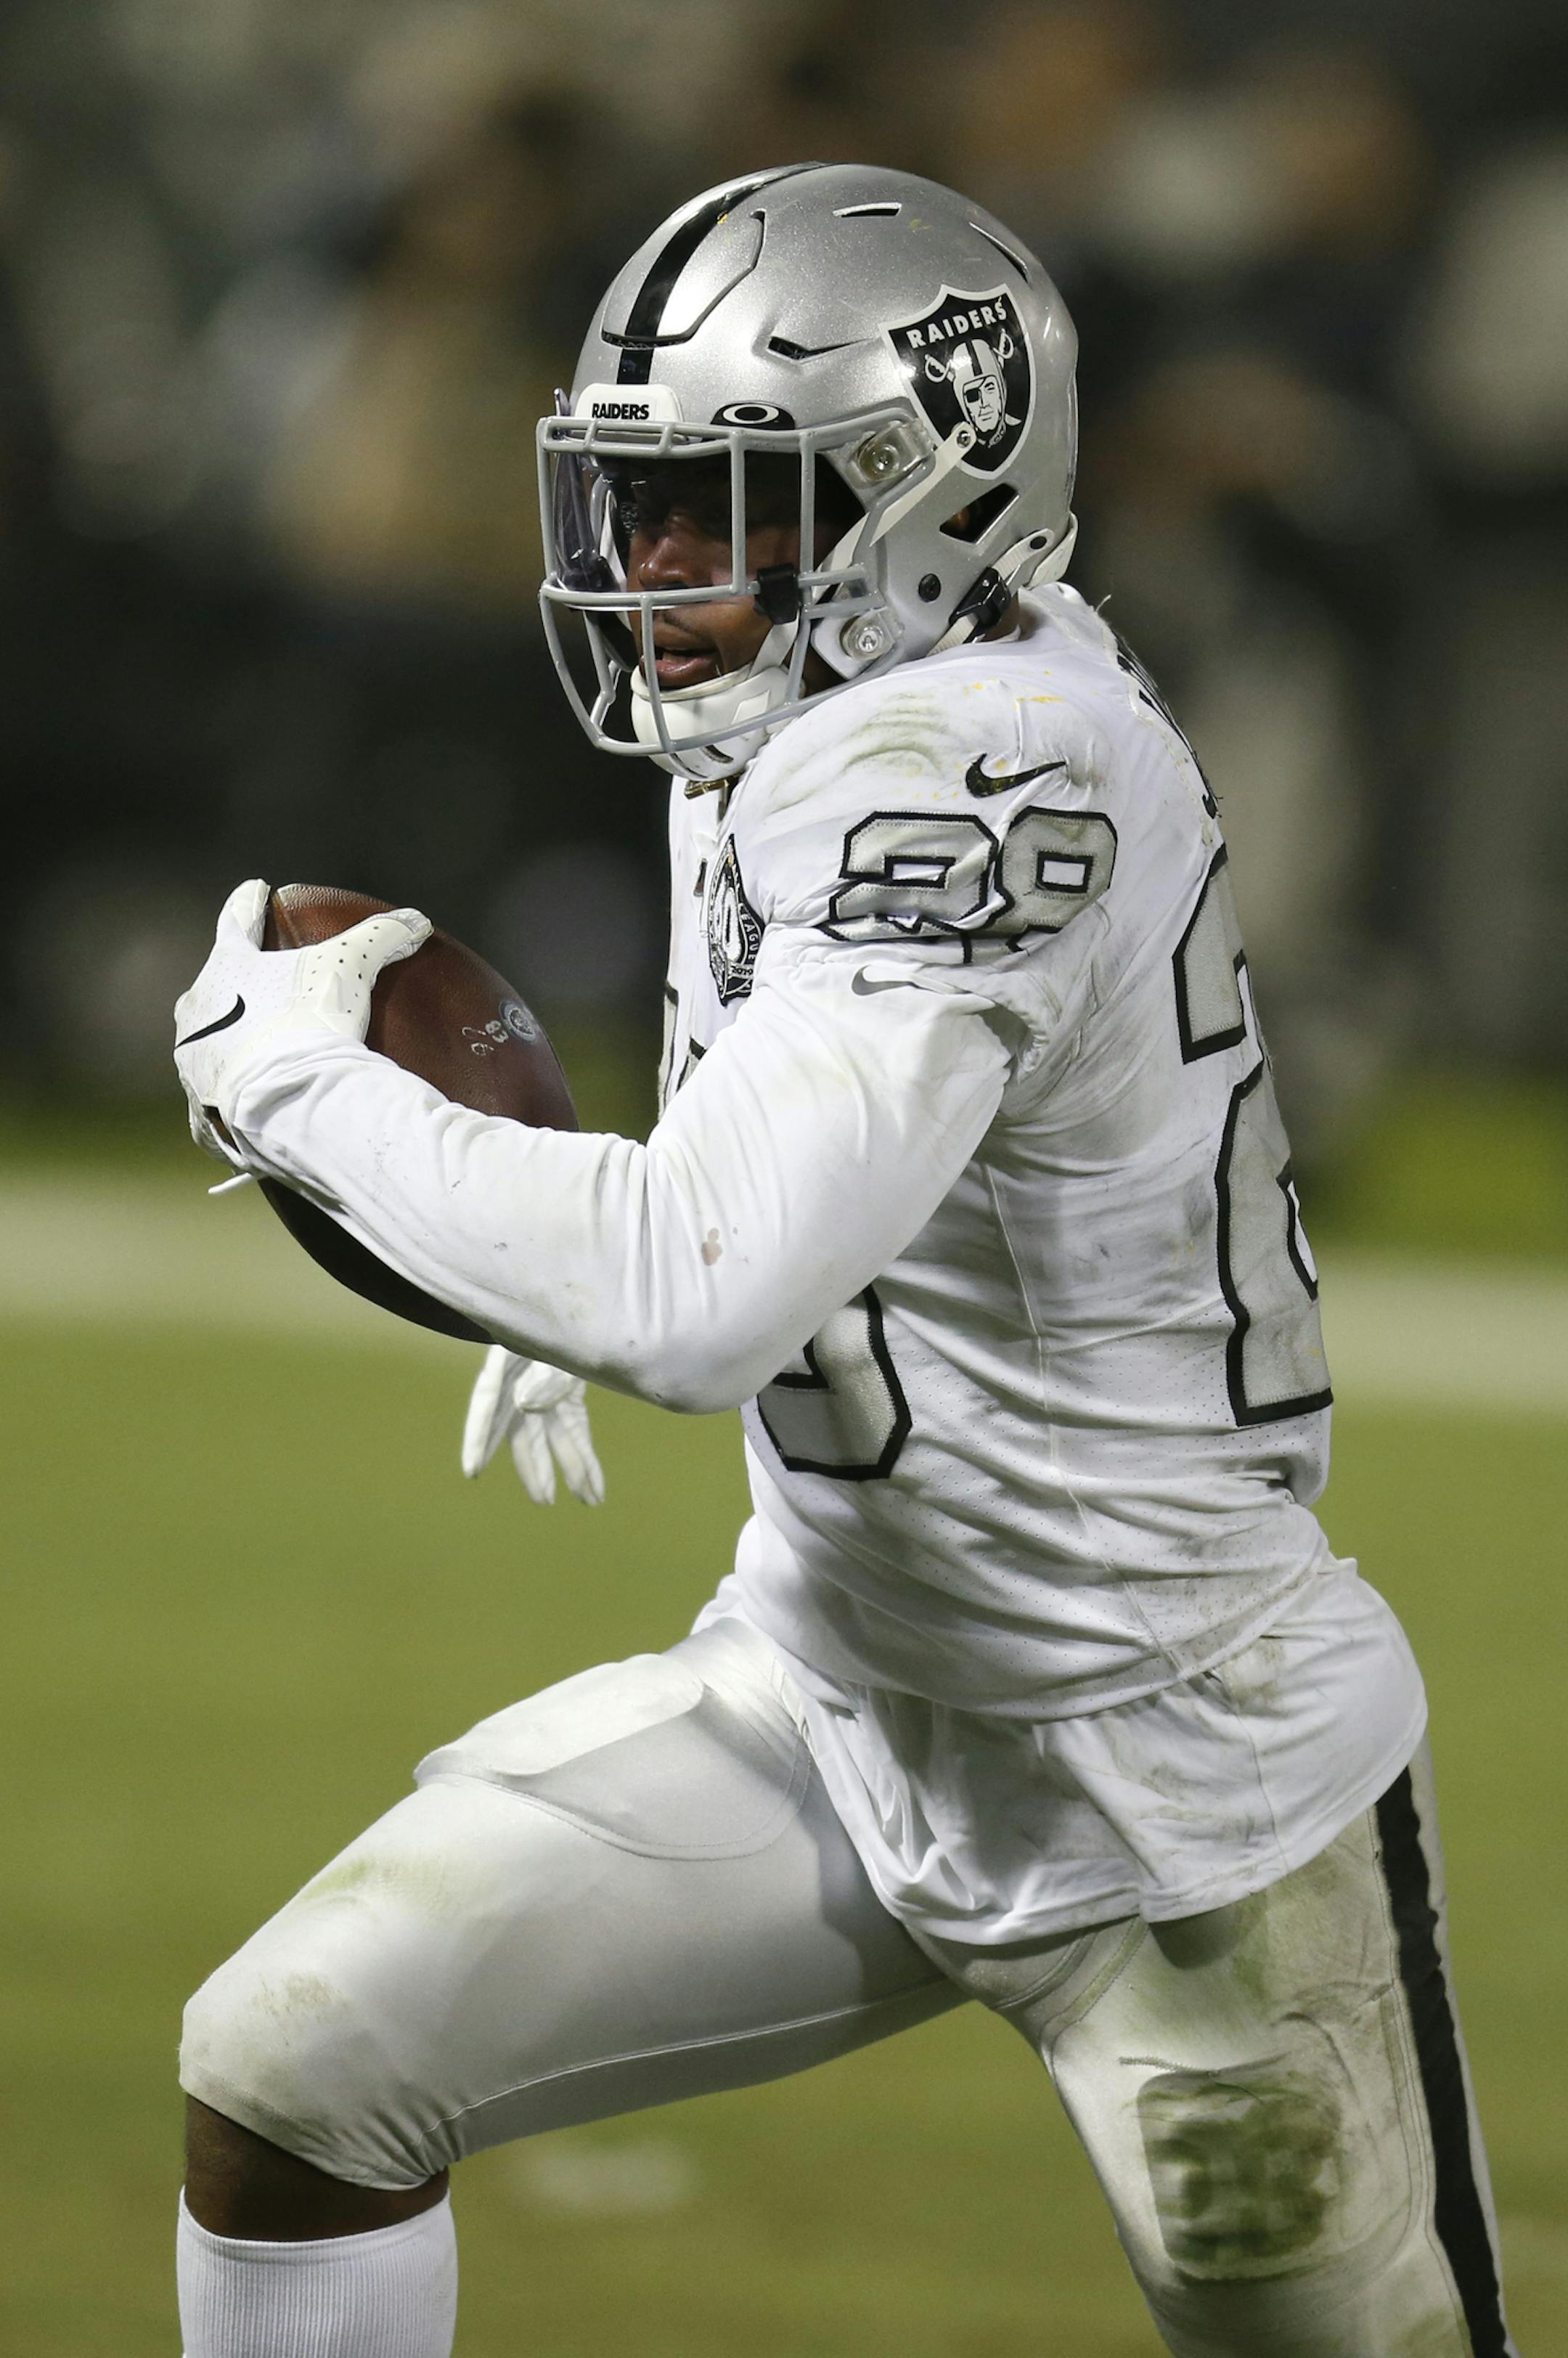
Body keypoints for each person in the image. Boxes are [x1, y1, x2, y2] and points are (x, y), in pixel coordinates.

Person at [171, 165, 1516, 2358]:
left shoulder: (982, 761)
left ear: (926, 499)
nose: (653, 574)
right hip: (837, 1703)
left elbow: (698, 1295)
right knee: (296, 2067)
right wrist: (548, 1237)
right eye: (634, 505)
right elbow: (772, 1171)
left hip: (1177, 1783)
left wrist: (293, 1081)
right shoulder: (814, 691)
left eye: (726, 504)